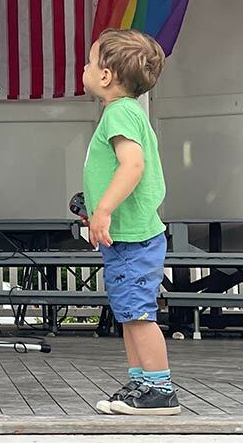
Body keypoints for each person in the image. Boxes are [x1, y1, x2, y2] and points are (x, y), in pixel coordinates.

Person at [80, 28, 181, 416]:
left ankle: (160, 388)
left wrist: (103, 209)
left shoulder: (119, 113)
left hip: (133, 237)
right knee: (128, 313)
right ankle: (142, 381)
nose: (85, 68)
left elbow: (132, 165)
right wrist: (90, 203)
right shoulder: (127, 112)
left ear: (105, 76)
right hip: (126, 236)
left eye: (91, 62)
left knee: (138, 314)